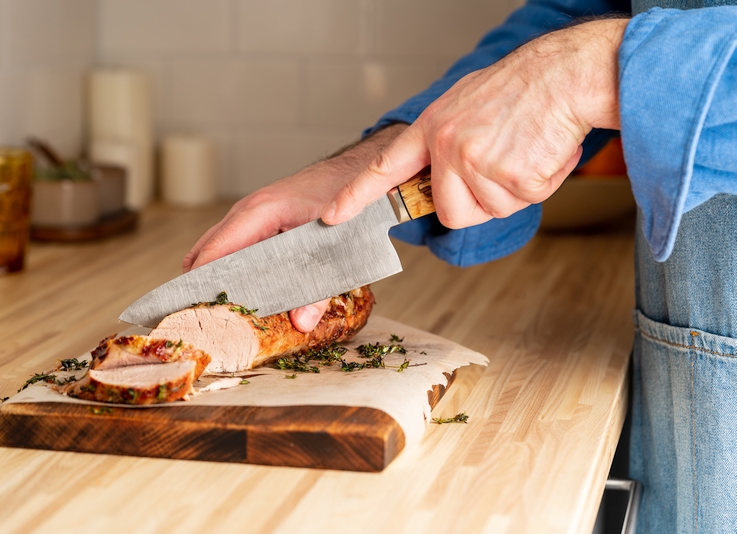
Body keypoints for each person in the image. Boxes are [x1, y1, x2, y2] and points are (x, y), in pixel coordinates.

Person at [184, 1, 737, 531]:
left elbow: (580, 56)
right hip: (685, 389)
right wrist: (365, 175)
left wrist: (591, 68)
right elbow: (586, 8)